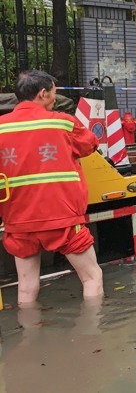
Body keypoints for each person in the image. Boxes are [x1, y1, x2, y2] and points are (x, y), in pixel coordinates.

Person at [0, 70, 103, 305]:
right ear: (43, 94)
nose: (55, 99)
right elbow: (90, 144)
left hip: (18, 221)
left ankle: (29, 335)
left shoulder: (1, 128)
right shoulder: (62, 123)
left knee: (26, 288)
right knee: (91, 277)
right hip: (61, 219)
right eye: (54, 93)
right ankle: (95, 336)